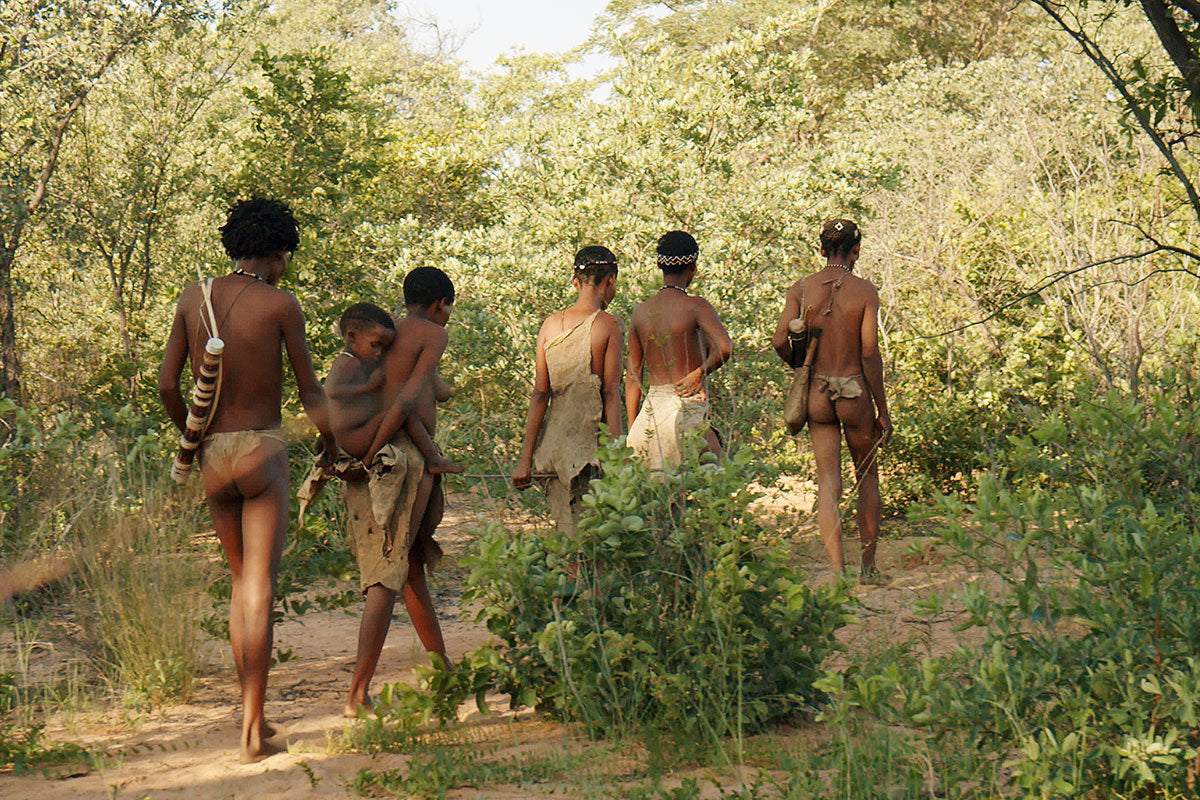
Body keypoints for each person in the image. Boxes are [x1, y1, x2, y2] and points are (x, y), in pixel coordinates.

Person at [158, 198, 337, 763]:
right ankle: (252, 730)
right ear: (279, 250)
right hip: (262, 450)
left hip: (213, 455)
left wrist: (192, 435)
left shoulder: (195, 298)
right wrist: (329, 444)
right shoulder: (282, 304)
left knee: (240, 587)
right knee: (259, 587)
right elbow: (309, 390)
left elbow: (168, 384)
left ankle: (251, 721)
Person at [343, 267, 456, 716]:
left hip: (385, 451)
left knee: (407, 566)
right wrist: (380, 450)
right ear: (441, 305)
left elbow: (426, 388)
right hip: (401, 456)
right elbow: (405, 400)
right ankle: (356, 693)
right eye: (449, 310)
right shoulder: (432, 332)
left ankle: (443, 668)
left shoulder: (387, 334)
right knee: (388, 574)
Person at [771, 219, 892, 582]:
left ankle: (838, 574)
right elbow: (869, 353)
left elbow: (779, 340)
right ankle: (868, 571)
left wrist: (800, 366)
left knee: (828, 482)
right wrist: (882, 410)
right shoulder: (865, 292)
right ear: (856, 250)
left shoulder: (802, 288)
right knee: (867, 476)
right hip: (854, 391)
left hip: (818, 393)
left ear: (822, 250)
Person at [512, 246, 624, 533]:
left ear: (575, 281)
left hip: (554, 449)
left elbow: (540, 393)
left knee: (566, 536)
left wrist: (526, 459)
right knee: (595, 541)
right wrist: (616, 454)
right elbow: (611, 393)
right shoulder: (608, 325)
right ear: (610, 280)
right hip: (590, 449)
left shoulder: (550, 325)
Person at [626, 231, 733, 469]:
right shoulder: (696, 306)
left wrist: (634, 430)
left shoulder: (641, 313)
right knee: (712, 486)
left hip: (651, 414)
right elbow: (725, 348)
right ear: (693, 267)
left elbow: (632, 378)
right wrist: (700, 372)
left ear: (659, 266)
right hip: (687, 407)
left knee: (659, 497)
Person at [324, 302, 459, 475]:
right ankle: (433, 459)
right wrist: (366, 388)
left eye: (383, 347)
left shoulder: (358, 363)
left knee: (395, 410)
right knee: (404, 411)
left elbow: (443, 393)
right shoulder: (348, 363)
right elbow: (332, 392)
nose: (379, 353)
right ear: (351, 337)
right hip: (352, 439)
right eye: (375, 345)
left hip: (349, 436)